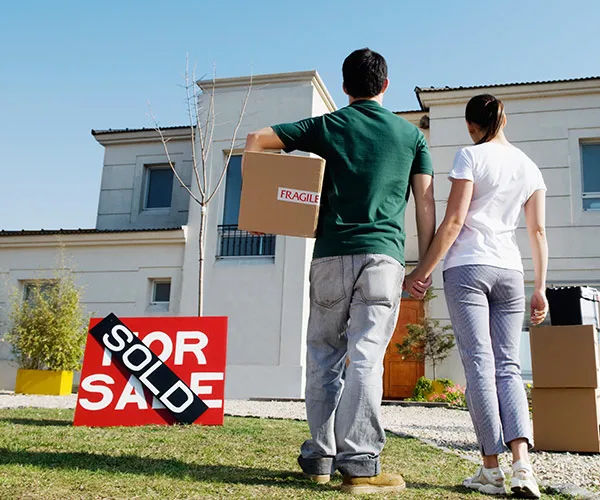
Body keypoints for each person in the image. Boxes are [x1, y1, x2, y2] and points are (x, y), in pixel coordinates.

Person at [243, 48, 436, 494]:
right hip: (383, 260)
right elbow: (426, 207)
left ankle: (319, 456)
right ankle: (362, 465)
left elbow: (256, 139)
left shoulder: (328, 125)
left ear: (345, 87)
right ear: (385, 86)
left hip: (330, 256)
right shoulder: (411, 137)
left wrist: (262, 202)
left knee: (323, 356)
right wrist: (423, 268)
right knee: (365, 357)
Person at [404, 94, 548, 498]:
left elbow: (453, 221)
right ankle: (523, 466)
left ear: (472, 125)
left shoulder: (470, 156)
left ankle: (490, 470)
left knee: (480, 367)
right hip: (511, 272)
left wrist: (421, 271)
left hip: (468, 268)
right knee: (509, 367)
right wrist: (540, 288)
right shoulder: (529, 166)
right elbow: (537, 232)